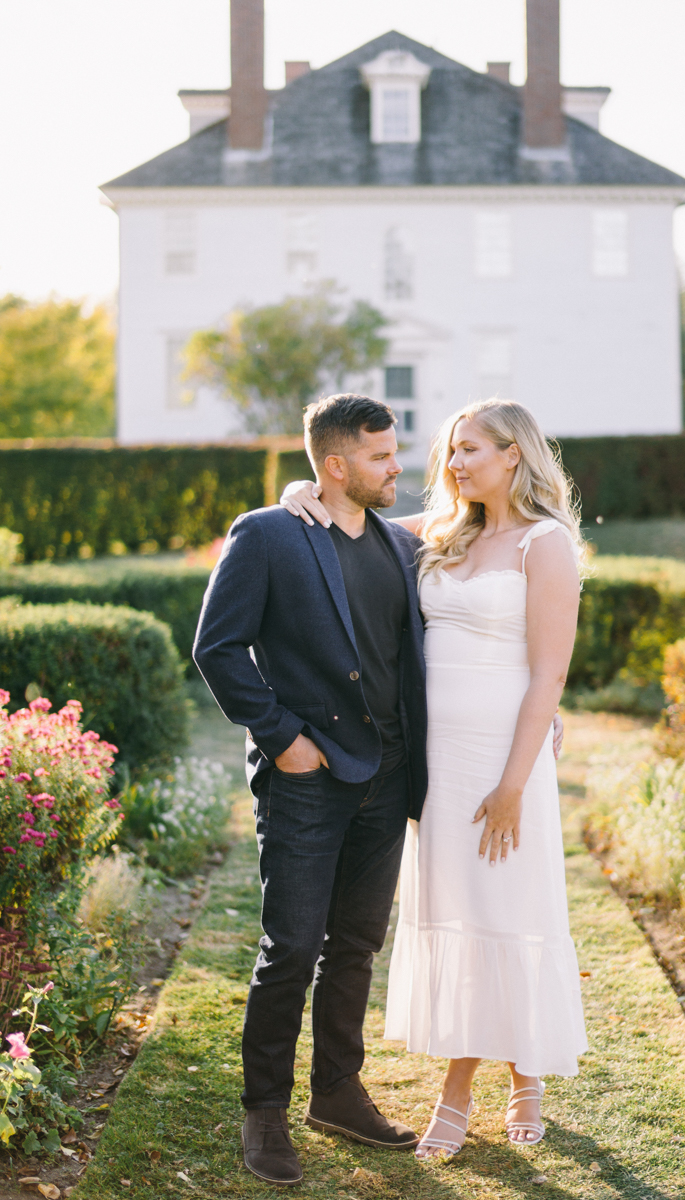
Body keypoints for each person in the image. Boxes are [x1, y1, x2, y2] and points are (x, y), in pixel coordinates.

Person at [281, 398, 586, 1158]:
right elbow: (347, 519)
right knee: (462, 912)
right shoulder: (443, 536)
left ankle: (483, 1088)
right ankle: (508, 1076)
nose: (452, 464)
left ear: (514, 453)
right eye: (450, 450)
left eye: (470, 449)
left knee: (508, 910)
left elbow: (549, 674)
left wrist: (514, 783)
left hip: (504, 761)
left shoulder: (545, 544)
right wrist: (299, 494)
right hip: (438, 763)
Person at [193, 394, 428, 1187]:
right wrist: (282, 737)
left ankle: (336, 1091)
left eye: (395, 452)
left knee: (356, 947)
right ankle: (265, 1111)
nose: (397, 466)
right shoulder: (267, 534)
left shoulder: (401, 542)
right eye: (380, 456)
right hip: (307, 782)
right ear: (335, 465)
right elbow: (217, 648)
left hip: (390, 779)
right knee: (290, 948)